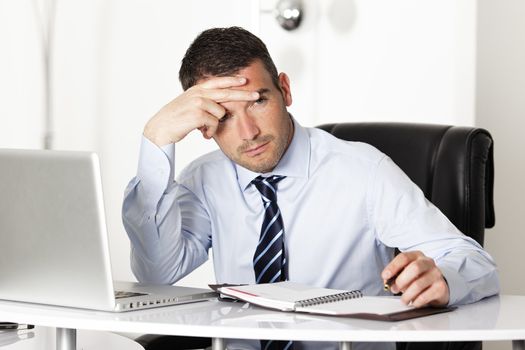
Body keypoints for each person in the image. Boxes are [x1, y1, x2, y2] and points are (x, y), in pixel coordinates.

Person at [122, 27, 499, 350]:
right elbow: (158, 272)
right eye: (223, 115)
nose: (248, 133)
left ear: (284, 89)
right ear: (203, 126)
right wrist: (156, 142)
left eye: (258, 102)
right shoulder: (204, 179)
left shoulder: (363, 171)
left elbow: (477, 263)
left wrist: (443, 277)